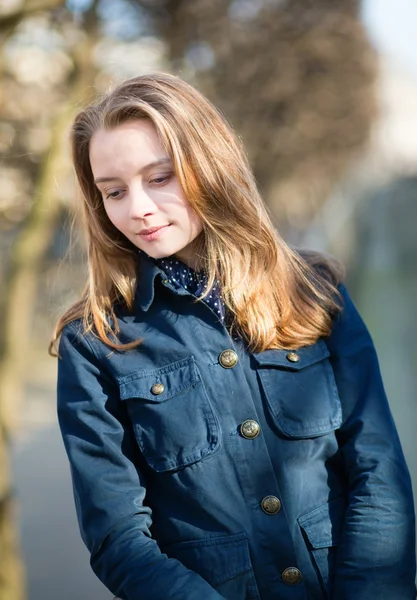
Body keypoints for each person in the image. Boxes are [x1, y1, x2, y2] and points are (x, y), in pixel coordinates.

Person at [51, 72, 416, 600]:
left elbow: (378, 472)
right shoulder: (93, 342)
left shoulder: (316, 292)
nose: (138, 209)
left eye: (160, 177)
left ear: (210, 167)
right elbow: (119, 539)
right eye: (114, 191)